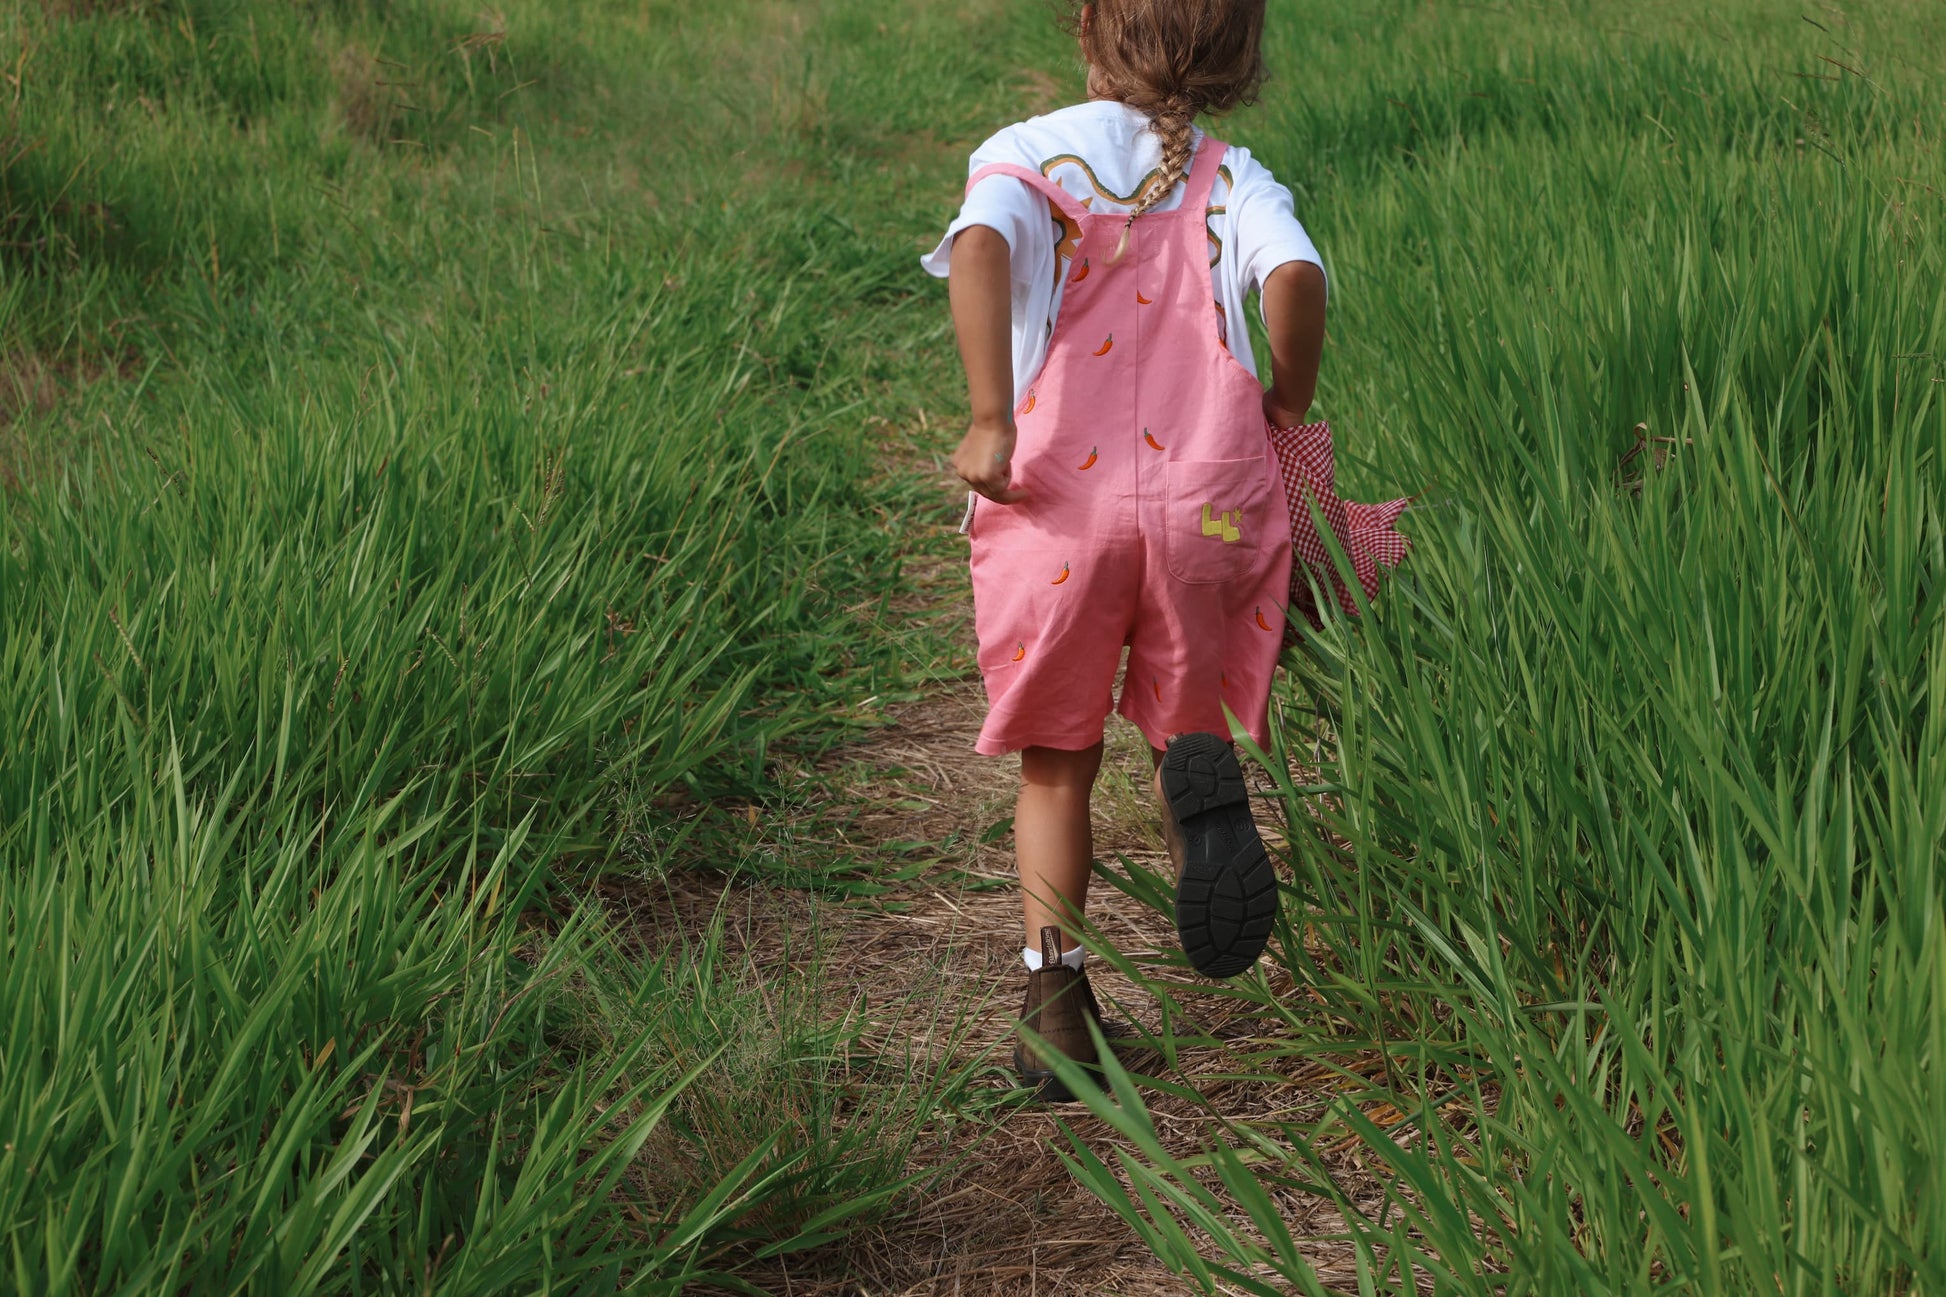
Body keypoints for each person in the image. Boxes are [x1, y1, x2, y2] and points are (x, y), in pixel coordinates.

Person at [921, 0, 1327, 1100]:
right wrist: (1286, 398)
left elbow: (978, 247)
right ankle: (1197, 787)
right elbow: (1292, 278)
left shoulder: (1024, 155)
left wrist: (988, 415)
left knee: (1056, 758)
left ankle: (1054, 1009)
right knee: (1183, 705)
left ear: (1090, 32)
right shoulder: (1232, 175)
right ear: (1237, 53)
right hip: (1211, 498)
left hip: (1057, 502)